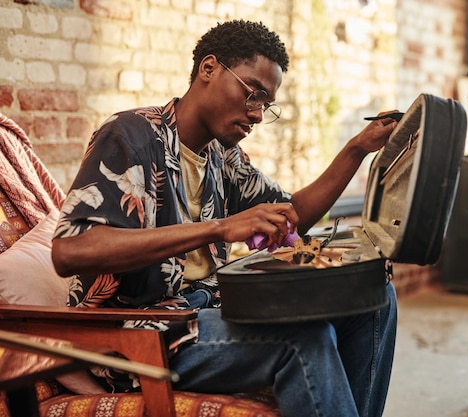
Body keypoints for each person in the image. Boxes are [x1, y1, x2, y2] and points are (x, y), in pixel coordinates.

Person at [51, 19, 399, 417]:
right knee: (303, 338)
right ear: (209, 69)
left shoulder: (222, 156)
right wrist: (218, 228)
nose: (256, 114)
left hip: (210, 311)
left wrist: (357, 148)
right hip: (141, 333)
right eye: (253, 94)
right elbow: (70, 250)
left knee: (374, 300)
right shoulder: (130, 135)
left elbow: (292, 214)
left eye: (265, 105)